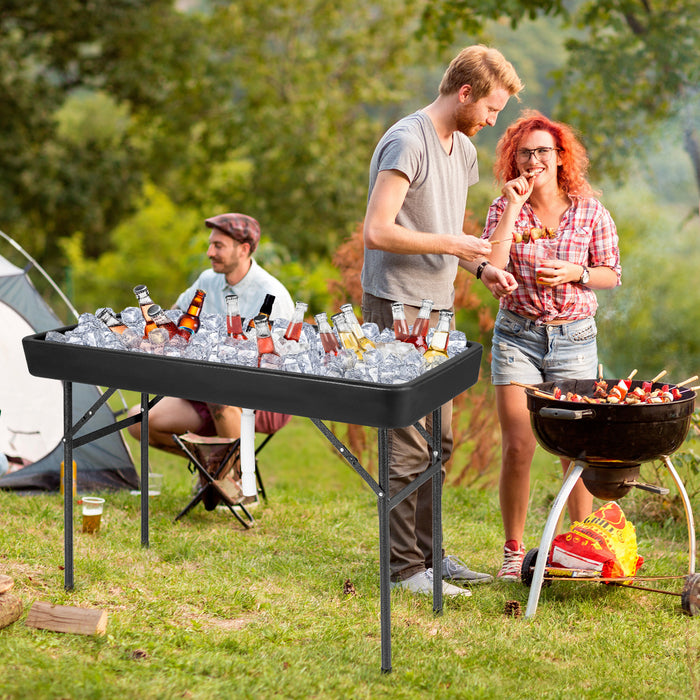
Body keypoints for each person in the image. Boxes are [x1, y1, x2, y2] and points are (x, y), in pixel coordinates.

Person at [361, 45, 523, 597]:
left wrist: (478, 267)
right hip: (396, 304)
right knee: (406, 440)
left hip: (438, 309)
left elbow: (444, 228)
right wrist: (454, 242)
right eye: (491, 109)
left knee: (439, 440)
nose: (492, 120)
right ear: (465, 93)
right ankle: (404, 569)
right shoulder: (408, 140)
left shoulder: (463, 150)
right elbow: (378, 231)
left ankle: (431, 556)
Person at [472, 110, 621, 580]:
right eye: (524, 152)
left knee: (573, 451)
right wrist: (514, 207)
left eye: (543, 151)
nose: (534, 159)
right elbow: (490, 266)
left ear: (560, 158)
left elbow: (611, 273)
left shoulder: (589, 209)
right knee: (519, 446)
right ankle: (514, 552)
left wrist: (575, 272)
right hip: (517, 335)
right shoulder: (504, 207)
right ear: (513, 160)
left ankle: (577, 549)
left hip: (574, 338)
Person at [127, 213, 295, 454]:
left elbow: (275, 364)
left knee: (219, 394)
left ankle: (235, 483)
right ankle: (215, 468)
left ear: (243, 249)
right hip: (205, 387)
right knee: (138, 421)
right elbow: (173, 318)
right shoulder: (208, 280)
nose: (209, 252)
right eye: (210, 244)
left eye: (218, 246)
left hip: (266, 396)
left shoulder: (271, 294)